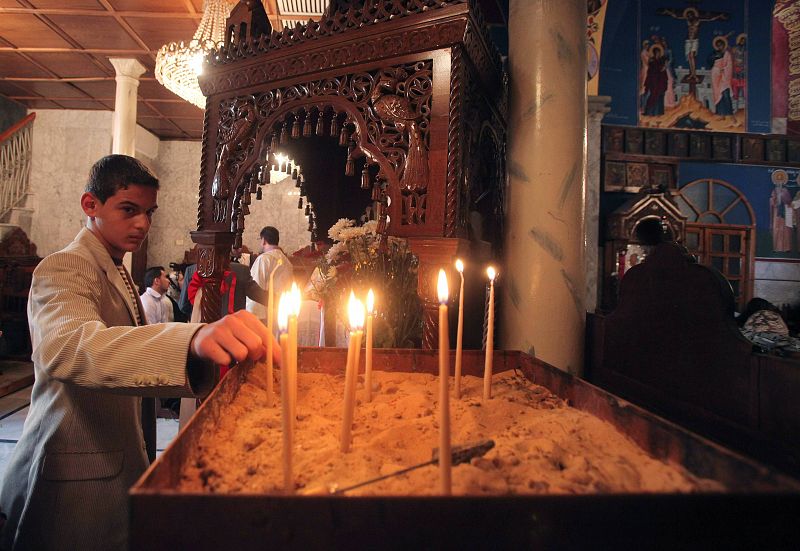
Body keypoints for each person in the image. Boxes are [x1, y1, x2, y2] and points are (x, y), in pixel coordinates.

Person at [0, 154, 277, 550]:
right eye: (129, 210)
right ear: (90, 205)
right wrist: (190, 339)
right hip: (70, 481)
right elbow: (70, 347)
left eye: (149, 212)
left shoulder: (114, 267)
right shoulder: (64, 267)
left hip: (116, 467)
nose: (143, 224)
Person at [247, 226, 293, 326]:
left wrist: (251, 315)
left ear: (263, 240)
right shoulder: (287, 261)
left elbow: (255, 288)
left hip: (265, 316)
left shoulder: (264, 259)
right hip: (282, 313)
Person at [708, 36, 734, 119]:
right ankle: (719, 113)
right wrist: (714, 58)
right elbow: (709, 61)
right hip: (715, 75)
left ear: (724, 45)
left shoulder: (727, 54)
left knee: (726, 94)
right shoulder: (714, 53)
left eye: (721, 45)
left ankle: (729, 113)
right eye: (718, 45)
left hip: (724, 76)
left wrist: (723, 70)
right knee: (717, 94)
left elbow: (729, 65)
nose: (720, 47)